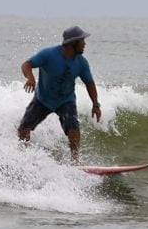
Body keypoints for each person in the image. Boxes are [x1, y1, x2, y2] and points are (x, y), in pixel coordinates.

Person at [16, 26, 101, 162]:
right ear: (72, 43)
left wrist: (96, 104)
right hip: (42, 99)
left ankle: (75, 161)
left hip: (65, 100)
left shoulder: (81, 63)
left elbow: (89, 83)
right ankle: (23, 157)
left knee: (73, 127)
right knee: (23, 129)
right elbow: (26, 64)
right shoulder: (48, 55)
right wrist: (30, 78)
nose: (85, 44)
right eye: (82, 41)